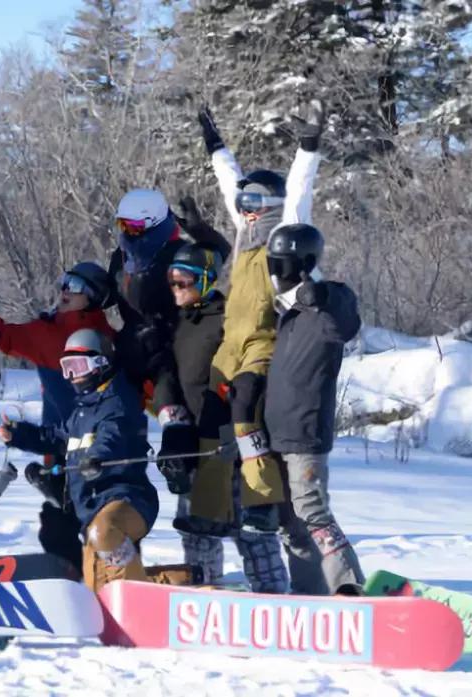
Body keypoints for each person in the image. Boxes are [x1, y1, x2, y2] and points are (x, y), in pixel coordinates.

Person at [181, 102, 325, 536]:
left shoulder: (285, 234)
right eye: (244, 201)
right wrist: (215, 144)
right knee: (211, 416)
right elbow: (230, 181)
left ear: (273, 204)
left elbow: (301, 190)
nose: (244, 207)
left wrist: (309, 146)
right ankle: (211, 510)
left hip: (264, 341)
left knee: (244, 403)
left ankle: (262, 501)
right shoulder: (244, 235)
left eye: (254, 201)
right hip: (231, 342)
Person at [0, 262, 115, 569]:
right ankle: (69, 588)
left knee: (103, 523)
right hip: (56, 445)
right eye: (65, 282)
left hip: (98, 451)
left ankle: (116, 584)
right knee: (56, 525)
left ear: (93, 298)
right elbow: (2, 334)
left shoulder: (101, 338)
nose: (65, 290)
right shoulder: (47, 331)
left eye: (76, 287)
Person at [164, 243, 288, 592]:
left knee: (250, 534)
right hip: (197, 444)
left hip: (232, 439)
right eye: (172, 283)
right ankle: (204, 594)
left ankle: (273, 595)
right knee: (198, 533)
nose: (176, 290)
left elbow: (255, 354)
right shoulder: (181, 322)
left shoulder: (226, 319)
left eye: (184, 283)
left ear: (204, 282)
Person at [0, 329, 159, 591]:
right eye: (67, 368)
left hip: (128, 501)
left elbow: (112, 437)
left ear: (100, 364)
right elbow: (54, 436)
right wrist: (18, 434)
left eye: (78, 366)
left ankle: (137, 596)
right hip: (91, 508)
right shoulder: (83, 410)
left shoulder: (119, 402)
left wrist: (96, 458)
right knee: (96, 580)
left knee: (104, 532)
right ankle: (155, 588)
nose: (72, 376)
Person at [265, 223, 365, 595]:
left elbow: (346, 320)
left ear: (305, 263)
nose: (276, 272)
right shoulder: (288, 315)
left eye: (284, 264)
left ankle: (348, 587)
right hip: (278, 433)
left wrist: (320, 292)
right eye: (273, 263)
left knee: (312, 513)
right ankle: (310, 593)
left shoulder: (325, 309)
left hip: (306, 435)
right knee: (290, 523)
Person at [107, 190, 231, 475]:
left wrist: (199, 229)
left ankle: (181, 454)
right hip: (134, 342)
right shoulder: (120, 258)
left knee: (169, 383)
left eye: (134, 227)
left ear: (153, 224)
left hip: (174, 337)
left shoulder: (176, 252)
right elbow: (111, 291)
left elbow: (218, 255)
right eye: (123, 226)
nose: (128, 233)